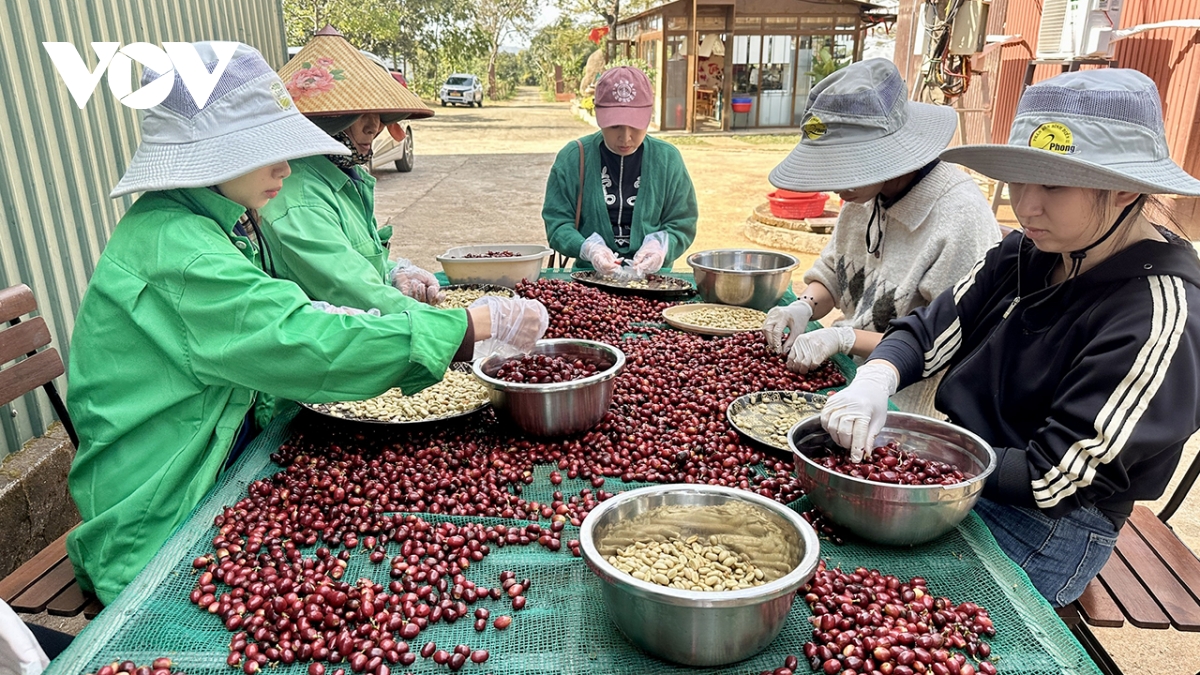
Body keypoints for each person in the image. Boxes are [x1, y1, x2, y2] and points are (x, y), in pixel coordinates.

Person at [65, 42, 548, 605]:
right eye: (266, 150)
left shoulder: (216, 220)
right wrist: (469, 327)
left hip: (219, 454)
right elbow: (296, 339)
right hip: (158, 516)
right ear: (210, 156)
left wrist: (390, 286)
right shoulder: (180, 248)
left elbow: (285, 310)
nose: (286, 168)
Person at [820, 68, 1200, 607]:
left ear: (1124, 189)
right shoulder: (1027, 252)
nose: (1026, 206)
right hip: (969, 473)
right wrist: (876, 378)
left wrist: (924, 451)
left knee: (877, 599)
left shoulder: (1158, 315)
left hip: (1052, 523)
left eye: (1052, 185)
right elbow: (934, 328)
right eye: (1019, 180)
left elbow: (1055, 477)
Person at [762, 59, 998, 415]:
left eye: (846, 167)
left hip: (908, 401)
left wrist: (845, 337)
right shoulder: (864, 194)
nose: (835, 184)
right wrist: (804, 306)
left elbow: (948, 342)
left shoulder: (959, 215)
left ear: (889, 154)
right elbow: (834, 274)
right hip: (851, 378)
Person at [259, 26, 441, 309]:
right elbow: (354, 291)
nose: (374, 126)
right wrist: (464, 323)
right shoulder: (299, 198)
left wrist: (395, 273)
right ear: (325, 121)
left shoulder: (344, 177)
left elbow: (357, 260)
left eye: (378, 114)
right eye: (358, 115)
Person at [543, 66, 698, 276]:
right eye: (614, 126)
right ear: (598, 114)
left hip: (654, 281)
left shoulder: (667, 159)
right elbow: (558, 223)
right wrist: (588, 248)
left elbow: (683, 222)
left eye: (635, 125)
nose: (625, 138)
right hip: (590, 280)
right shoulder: (573, 158)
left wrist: (660, 245)